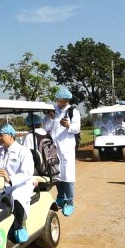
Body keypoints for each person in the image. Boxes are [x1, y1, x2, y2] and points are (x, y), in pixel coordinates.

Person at [0, 124, 36, 243]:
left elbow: (27, 173)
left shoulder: (23, 151)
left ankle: (19, 226)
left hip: (22, 184)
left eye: (1, 135)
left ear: (11, 136)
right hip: (4, 185)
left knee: (17, 196)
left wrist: (10, 178)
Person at [43, 87, 80, 216]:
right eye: (60, 100)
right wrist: (52, 118)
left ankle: (69, 201)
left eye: (65, 101)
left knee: (68, 174)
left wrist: (68, 126)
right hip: (55, 147)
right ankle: (60, 197)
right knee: (57, 173)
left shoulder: (73, 112)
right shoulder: (52, 111)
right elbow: (46, 128)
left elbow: (77, 129)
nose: (62, 103)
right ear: (57, 99)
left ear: (68, 100)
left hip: (67, 147)